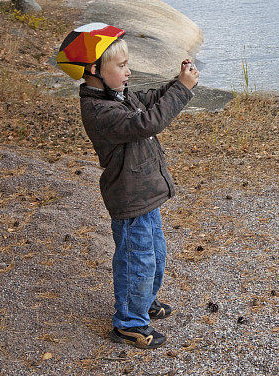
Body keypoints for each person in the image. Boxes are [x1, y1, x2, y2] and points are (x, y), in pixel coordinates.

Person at [56, 23, 199, 348]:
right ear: (93, 70)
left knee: (155, 256)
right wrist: (183, 91)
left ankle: (143, 301)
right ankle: (129, 323)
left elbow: (148, 100)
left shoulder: (118, 95)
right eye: (120, 66)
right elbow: (147, 122)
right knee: (138, 260)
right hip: (130, 197)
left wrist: (176, 84)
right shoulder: (100, 110)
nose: (128, 71)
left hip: (144, 194)